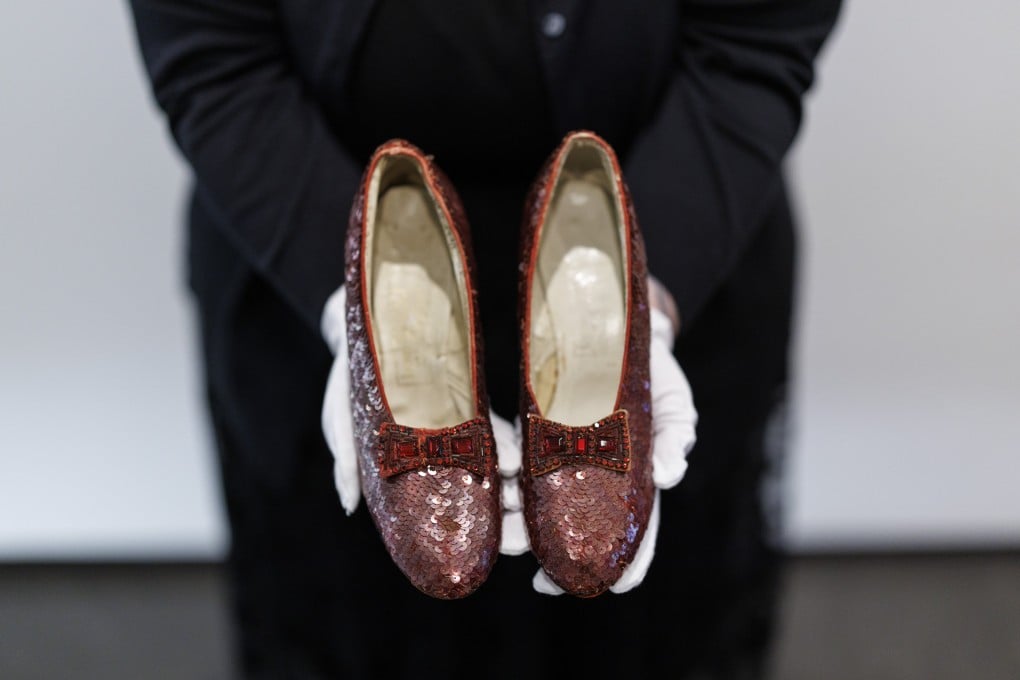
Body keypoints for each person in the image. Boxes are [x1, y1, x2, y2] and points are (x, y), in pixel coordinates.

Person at [127, 1, 842, 678]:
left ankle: (596, 241)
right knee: (351, 621)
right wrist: (348, 294)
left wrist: (647, 299)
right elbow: (214, 55)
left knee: (647, 632)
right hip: (305, 213)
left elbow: (756, 41)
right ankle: (393, 256)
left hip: (676, 204)